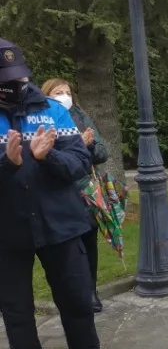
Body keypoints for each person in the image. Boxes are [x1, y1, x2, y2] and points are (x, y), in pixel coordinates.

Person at [0, 38, 114, 349]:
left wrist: (45, 158)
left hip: (61, 226)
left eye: (18, 77)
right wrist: (8, 164)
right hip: (8, 233)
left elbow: (80, 162)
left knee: (78, 309)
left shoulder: (51, 111)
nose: (14, 86)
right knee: (18, 319)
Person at [42, 78, 109, 314]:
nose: (64, 96)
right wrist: (75, 145)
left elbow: (102, 151)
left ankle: (91, 291)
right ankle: (71, 293)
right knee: (67, 248)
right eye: (57, 92)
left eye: (67, 92)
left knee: (89, 243)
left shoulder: (80, 116)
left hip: (85, 191)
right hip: (59, 193)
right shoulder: (42, 118)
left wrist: (88, 146)